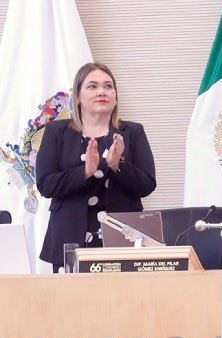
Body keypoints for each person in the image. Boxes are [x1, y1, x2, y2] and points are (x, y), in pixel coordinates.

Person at [36, 62, 156, 272]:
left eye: (108, 86)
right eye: (92, 86)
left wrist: (117, 165)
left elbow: (147, 185)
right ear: (78, 97)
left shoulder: (133, 131)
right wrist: (83, 172)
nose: (102, 91)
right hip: (70, 237)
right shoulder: (57, 131)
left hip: (124, 239)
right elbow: (45, 185)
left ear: (116, 97)